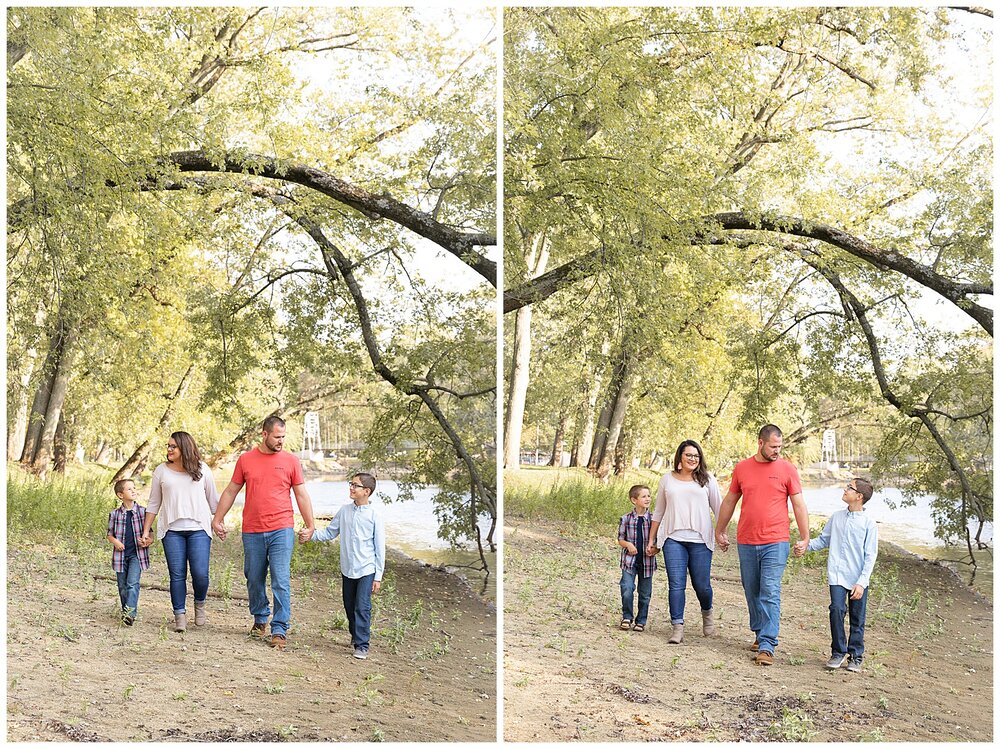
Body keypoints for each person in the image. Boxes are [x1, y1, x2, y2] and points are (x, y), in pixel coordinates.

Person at [213, 416, 316, 650]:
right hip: (252, 529)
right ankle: (260, 618)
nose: (281, 441)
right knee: (254, 577)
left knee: (281, 580)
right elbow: (230, 491)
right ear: (265, 434)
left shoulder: (290, 461)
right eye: (277, 437)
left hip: (282, 528)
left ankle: (279, 628)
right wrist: (217, 519)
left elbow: (301, 494)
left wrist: (310, 525)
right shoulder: (246, 460)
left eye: (283, 437)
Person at [714, 424, 809, 666]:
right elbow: (730, 501)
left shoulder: (787, 469)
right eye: (773, 446)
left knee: (769, 590)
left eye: (780, 446)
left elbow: (799, 505)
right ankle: (759, 632)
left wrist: (805, 536)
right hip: (746, 539)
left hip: (776, 541)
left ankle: (767, 644)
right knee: (751, 589)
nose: (778, 450)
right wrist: (720, 529)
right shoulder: (742, 468)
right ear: (760, 443)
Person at [300, 472, 385, 660]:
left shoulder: (374, 515)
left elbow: (380, 548)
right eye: (351, 484)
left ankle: (362, 644)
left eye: (356, 485)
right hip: (348, 568)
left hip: (367, 569)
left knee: (362, 606)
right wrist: (310, 535)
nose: (351, 488)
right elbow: (330, 533)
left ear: (367, 491)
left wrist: (378, 576)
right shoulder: (344, 511)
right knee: (349, 605)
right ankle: (355, 635)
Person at [140, 431, 220, 632]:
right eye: (168, 446)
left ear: (184, 447)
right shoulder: (161, 471)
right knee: (177, 574)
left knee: (200, 574)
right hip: (172, 530)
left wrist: (219, 522)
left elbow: (213, 502)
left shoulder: (203, 470)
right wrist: (146, 530)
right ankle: (180, 615)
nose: (169, 449)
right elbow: (154, 503)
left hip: (199, 530)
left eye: (173, 446)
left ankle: (199, 604)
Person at [798, 478, 877, 673]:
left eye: (849, 487)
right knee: (836, 609)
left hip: (858, 578)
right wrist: (805, 546)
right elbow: (824, 540)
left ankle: (856, 656)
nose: (844, 489)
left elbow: (870, 555)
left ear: (859, 496)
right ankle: (838, 651)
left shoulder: (869, 523)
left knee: (857, 618)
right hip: (837, 575)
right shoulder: (837, 517)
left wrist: (862, 582)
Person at [647, 440, 722, 644]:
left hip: (700, 540)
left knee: (702, 586)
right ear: (680, 456)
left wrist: (721, 533)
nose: (692, 459)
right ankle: (677, 627)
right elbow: (659, 511)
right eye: (689, 455)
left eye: (696, 456)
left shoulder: (707, 480)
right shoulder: (667, 480)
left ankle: (707, 615)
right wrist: (652, 539)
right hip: (673, 539)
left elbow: (719, 509)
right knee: (676, 584)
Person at [107, 479, 150, 626]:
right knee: (122, 586)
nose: (133, 491)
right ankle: (126, 609)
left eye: (134, 488)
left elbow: (149, 534)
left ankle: (130, 614)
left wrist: (147, 541)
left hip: (137, 555)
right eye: (129, 489)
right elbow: (109, 534)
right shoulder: (114, 514)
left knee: (132, 583)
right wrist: (116, 542)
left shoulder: (143, 512)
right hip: (120, 556)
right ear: (120, 495)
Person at [616, 484, 656, 632]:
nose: (647, 499)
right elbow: (620, 539)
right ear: (634, 500)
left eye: (649, 496)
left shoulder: (653, 519)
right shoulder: (626, 519)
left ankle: (641, 620)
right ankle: (627, 616)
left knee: (645, 593)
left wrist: (655, 549)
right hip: (629, 561)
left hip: (647, 562)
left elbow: (657, 541)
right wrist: (628, 545)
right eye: (644, 496)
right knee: (626, 588)